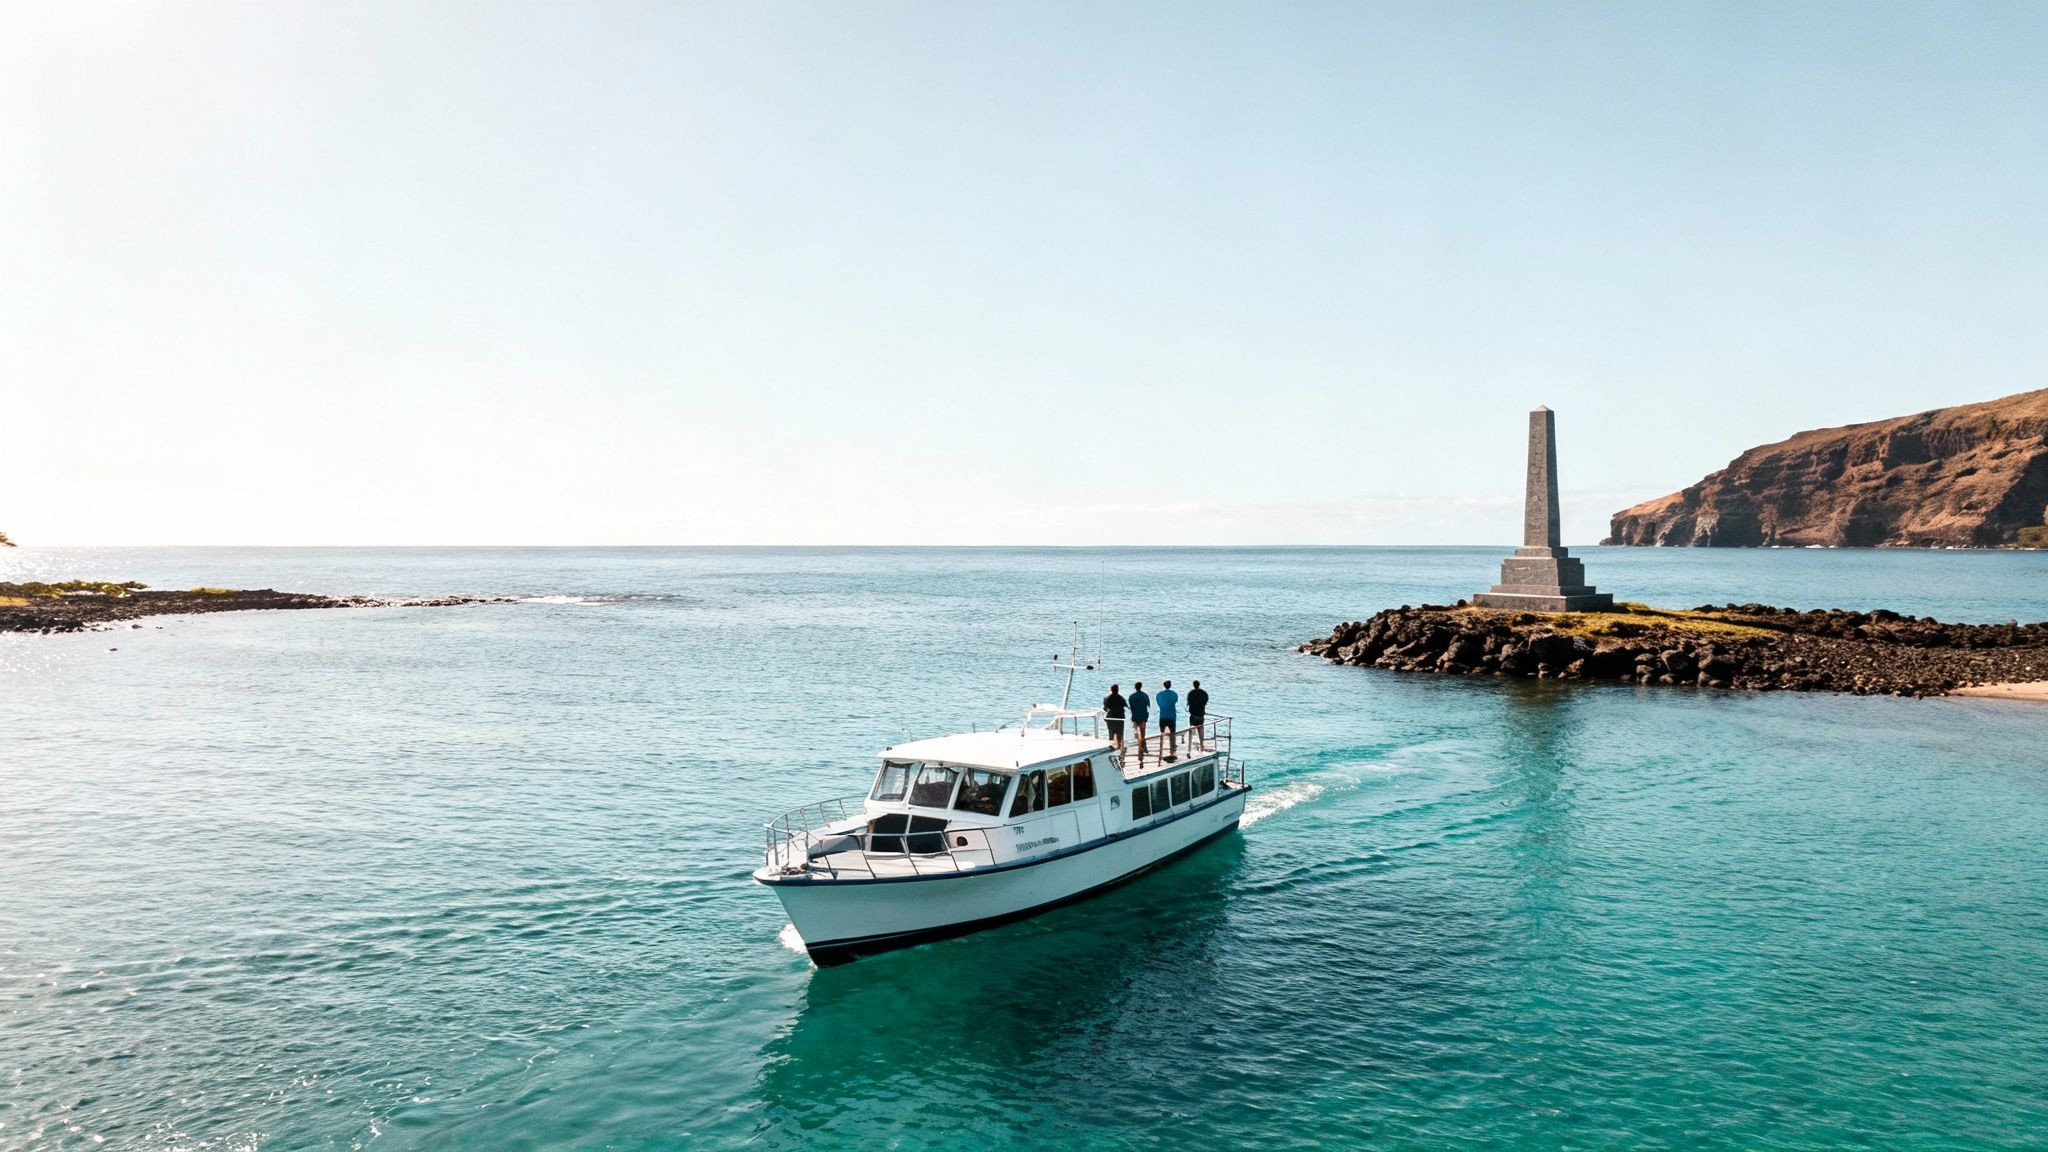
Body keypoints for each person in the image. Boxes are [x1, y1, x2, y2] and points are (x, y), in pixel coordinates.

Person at [1156, 680, 1180, 762]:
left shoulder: (1159, 694)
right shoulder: (1174, 694)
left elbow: (1158, 703)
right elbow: (1175, 701)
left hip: (1162, 716)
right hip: (1171, 716)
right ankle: (1172, 751)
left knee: (1162, 734)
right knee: (1172, 734)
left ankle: (1161, 751)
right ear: (1170, 685)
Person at [1128, 681, 1151, 761]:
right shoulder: (1145, 695)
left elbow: (1131, 707)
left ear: (1135, 687)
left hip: (1135, 717)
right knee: (1143, 733)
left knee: (1137, 733)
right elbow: (1148, 706)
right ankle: (1143, 747)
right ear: (1141, 687)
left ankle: (1140, 746)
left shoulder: (1131, 696)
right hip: (1143, 716)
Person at [1102, 684, 1127, 752]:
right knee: (1120, 734)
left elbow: (1105, 708)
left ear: (1111, 690)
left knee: (1111, 733)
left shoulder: (1106, 698)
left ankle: (1111, 748)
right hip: (1120, 718)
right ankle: (1120, 748)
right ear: (1118, 690)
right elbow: (1125, 705)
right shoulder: (1121, 698)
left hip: (1111, 718)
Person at [1187, 679, 1208, 749]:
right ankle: (1202, 745)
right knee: (1201, 728)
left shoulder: (1191, 693)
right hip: (1201, 714)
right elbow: (1205, 701)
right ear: (1199, 685)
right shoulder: (1204, 693)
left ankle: (1190, 745)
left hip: (1193, 714)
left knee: (1191, 729)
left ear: (1193, 685)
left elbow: (1189, 702)